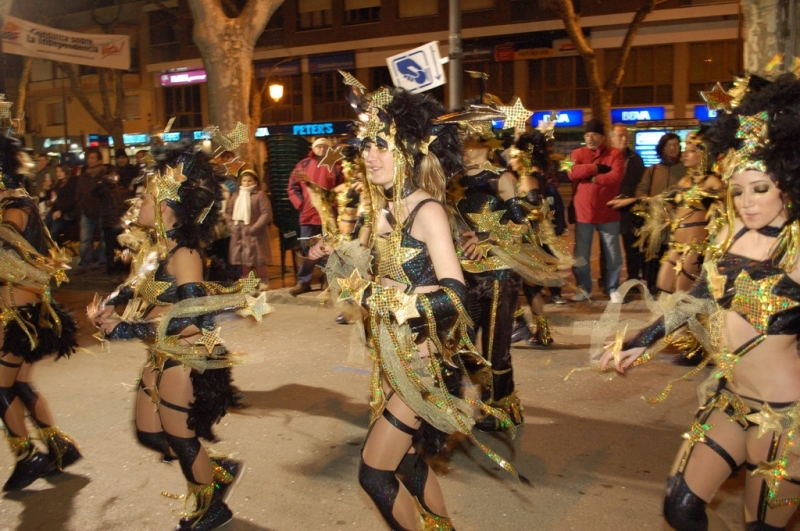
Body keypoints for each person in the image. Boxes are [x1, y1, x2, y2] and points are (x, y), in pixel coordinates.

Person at [312, 85, 524, 530]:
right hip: (391, 358)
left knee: (374, 473)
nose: (369, 155)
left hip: (424, 367)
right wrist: (332, 256)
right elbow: (374, 273)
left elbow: (455, 295)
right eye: (366, 145)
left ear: (408, 150)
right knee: (407, 462)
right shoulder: (382, 211)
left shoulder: (426, 211)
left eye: (381, 145)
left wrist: (388, 299)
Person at [600, 72, 800, 531]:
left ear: (787, 183)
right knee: (680, 507)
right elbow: (698, 300)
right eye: (738, 191)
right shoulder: (729, 233)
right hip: (729, 402)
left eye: (761, 189)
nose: (747, 202)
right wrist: (643, 339)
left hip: (785, 416)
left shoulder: (796, 249)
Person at [91, 141, 269, 531]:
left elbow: (194, 318)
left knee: (182, 440)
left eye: (146, 195)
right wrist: (112, 303)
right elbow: (138, 286)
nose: (138, 200)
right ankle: (217, 470)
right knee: (149, 433)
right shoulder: (159, 247)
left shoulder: (185, 254)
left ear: (168, 205)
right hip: (159, 352)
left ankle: (211, 509)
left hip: (183, 357)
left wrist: (126, 329)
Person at [0, 131, 80, 491]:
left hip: (18, 314)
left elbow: (8, 243)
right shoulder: (18, 201)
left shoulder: (14, 207)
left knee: (1, 386)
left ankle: (26, 456)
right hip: (25, 309)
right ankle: (59, 446)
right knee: (18, 382)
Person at [567, 119, 625, 302]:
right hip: (584, 213)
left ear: (602, 137)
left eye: (594, 135)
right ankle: (584, 289)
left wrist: (592, 178)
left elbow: (616, 176)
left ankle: (613, 288)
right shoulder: (577, 153)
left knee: (613, 255)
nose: (590, 138)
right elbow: (571, 173)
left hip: (608, 213)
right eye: (587, 135)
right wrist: (596, 168)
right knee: (581, 256)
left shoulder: (615, 154)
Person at [286, 137, 343, 296]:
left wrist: (335, 207)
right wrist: (301, 204)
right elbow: (292, 186)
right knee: (307, 250)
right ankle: (304, 281)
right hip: (308, 216)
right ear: (313, 148)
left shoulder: (336, 167)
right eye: (319, 146)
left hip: (329, 218)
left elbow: (342, 188)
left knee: (329, 249)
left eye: (325, 146)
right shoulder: (303, 165)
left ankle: (326, 279)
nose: (322, 149)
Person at [635, 132, 685, 292]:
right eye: (669, 145)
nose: (673, 148)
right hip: (656, 221)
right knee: (654, 252)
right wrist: (649, 201)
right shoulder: (653, 170)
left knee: (674, 252)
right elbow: (641, 191)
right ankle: (653, 284)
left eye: (676, 145)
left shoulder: (685, 170)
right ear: (663, 148)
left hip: (677, 220)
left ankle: (673, 285)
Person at [608, 124, 646, 284]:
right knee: (608, 248)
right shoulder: (606, 158)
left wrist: (634, 199)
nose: (624, 139)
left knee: (632, 247)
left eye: (626, 136)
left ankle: (633, 279)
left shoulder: (635, 159)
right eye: (620, 136)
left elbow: (642, 184)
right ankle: (608, 281)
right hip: (609, 209)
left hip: (630, 209)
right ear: (612, 138)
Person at [225, 168, 272, 290]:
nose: (246, 183)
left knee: (258, 259)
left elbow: (266, 213)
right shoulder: (236, 195)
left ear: (255, 181)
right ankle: (247, 281)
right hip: (240, 233)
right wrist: (232, 227)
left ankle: (264, 280)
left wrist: (255, 227)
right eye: (244, 180)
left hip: (255, 233)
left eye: (249, 181)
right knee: (243, 259)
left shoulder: (259, 195)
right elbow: (229, 213)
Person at [74, 148, 108, 270]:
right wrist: (82, 205)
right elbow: (78, 192)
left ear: (99, 160)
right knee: (85, 240)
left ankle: (103, 261)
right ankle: (85, 263)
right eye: (89, 158)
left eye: (93, 158)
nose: (90, 160)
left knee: (104, 238)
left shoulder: (104, 175)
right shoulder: (84, 176)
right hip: (87, 210)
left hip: (102, 210)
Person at [46, 163, 78, 244]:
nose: (59, 173)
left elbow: (72, 200)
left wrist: (61, 211)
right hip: (56, 210)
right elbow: (53, 198)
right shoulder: (57, 184)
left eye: (61, 171)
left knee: (53, 232)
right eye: (57, 171)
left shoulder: (72, 182)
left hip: (66, 213)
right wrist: (48, 189)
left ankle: (51, 248)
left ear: (66, 171)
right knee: (44, 227)